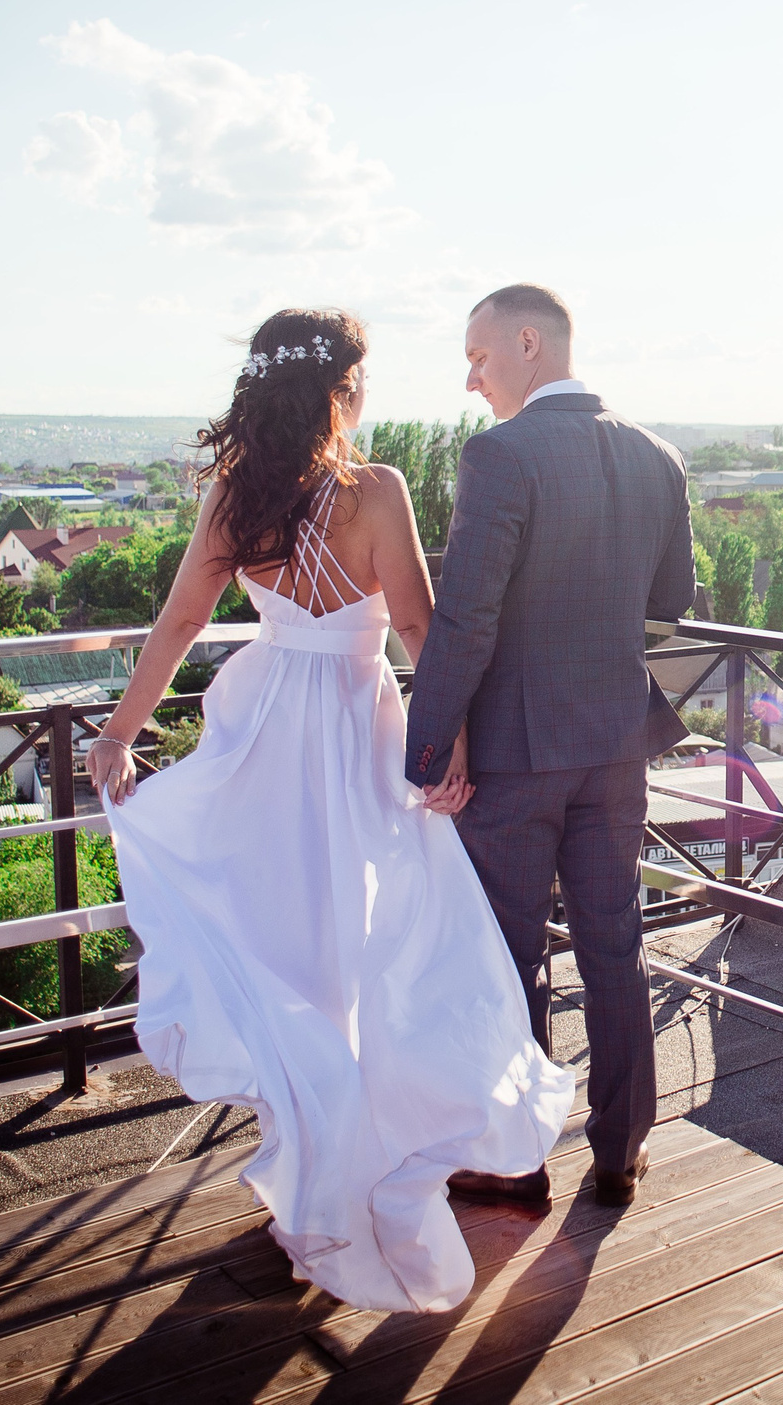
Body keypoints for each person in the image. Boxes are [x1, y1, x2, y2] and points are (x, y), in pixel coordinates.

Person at [90, 306, 573, 1315]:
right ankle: (355, 1159)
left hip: (264, 722)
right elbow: (415, 625)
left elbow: (181, 620)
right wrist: (449, 747)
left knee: (288, 946)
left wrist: (121, 732)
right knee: (383, 936)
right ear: (341, 392)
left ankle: (310, 1175)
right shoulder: (376, 489)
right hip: (358, 724)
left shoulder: (236, 493)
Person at [405, 284, 692, 1210]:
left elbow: (465, 616)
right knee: (616, 945)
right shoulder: (660, 457)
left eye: (479, 355)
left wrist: (426, 747)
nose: (470, 377)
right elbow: (672, 598)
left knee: (510, 953)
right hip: (613, 745)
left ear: (529, 343)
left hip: (515, 754)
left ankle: (517, 1155)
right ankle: (620, 1150)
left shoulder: (500, 455)